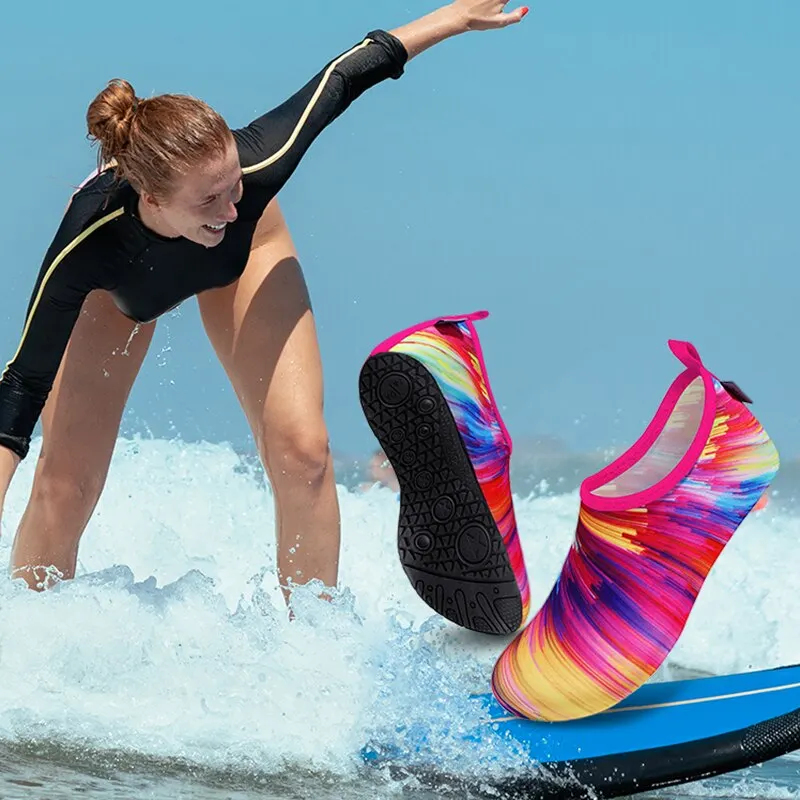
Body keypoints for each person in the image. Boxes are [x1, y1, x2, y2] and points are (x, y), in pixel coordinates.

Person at [0, 0, 528, 596]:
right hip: (118, 293)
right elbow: (19, 393)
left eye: (233, 189)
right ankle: (27, 634)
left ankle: (314, 647)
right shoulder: (87, 244)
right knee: (63, 483)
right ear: (150, 197)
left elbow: (349, 72)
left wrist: (455, 18)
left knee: (304, 454)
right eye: (209, 201)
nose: (229, 209)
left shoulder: (254, 170)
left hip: (248, 259)